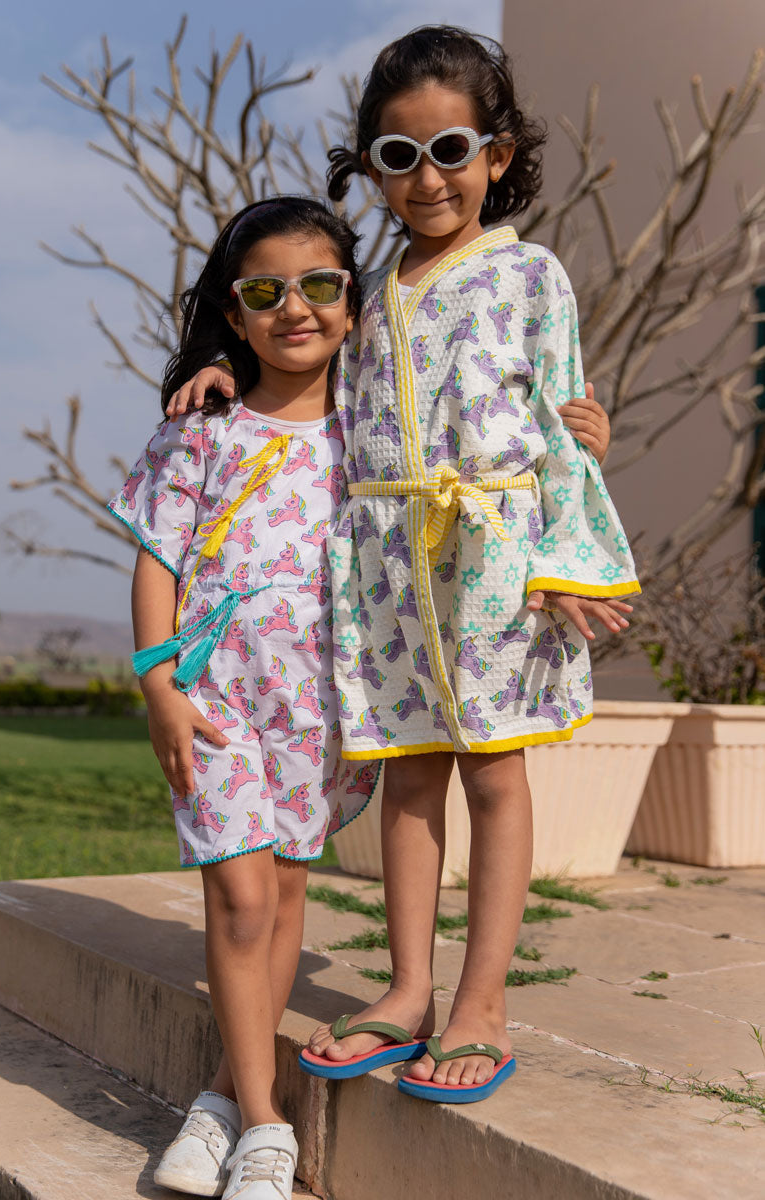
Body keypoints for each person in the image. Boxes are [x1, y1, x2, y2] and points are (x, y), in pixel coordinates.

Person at [167, 25, 639, 1108]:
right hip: (385, 564)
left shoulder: (531, 276)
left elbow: (561, 423)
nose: (428, 179)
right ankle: (409, 986)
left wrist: (571, 552)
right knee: (411, 771)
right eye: (399, 156)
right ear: (371, 167)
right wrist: (218, 369)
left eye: (452, 150)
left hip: (496, 559)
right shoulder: (366, 293)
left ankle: (483, 1003)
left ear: (498, 155)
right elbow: (296, 370)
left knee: (494, 771)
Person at [111, 196, 380, 1199]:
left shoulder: (374, 435)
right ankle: (269, 1126)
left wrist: (575, 436)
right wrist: (159, 684)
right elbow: (156, 557)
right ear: (235, 311)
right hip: (212, 699)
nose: (294, 308)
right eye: (265, 292)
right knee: (242, 896)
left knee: (288, 893)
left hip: (322, 705)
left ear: (352, 301)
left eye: (319, 286)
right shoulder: (202, 429)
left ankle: (221, 1101)